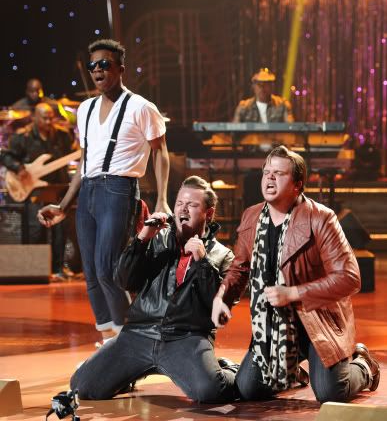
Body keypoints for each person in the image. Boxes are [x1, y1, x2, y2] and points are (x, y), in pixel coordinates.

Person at [211, 145, 380, 403]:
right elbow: (240, 267)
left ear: (297, 185)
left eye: (279, 173)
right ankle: (291, 374)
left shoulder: (320, 218)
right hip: (274, 326)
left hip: (317, 322)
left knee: (331, 393)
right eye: (266, 172)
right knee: (248, 389)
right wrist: (222, 297)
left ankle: (364, 366)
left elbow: (350, 277)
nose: (269, 178)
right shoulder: (252, 216)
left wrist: (293, 293)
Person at [37, 39, 170, 344]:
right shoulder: (85, 109)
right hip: (88, 192)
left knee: (108, 267)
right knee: (91, 272)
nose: (97, 70)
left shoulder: (141, 107)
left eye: (104, 64)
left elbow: (160, 150)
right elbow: (86, 163)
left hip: (118, 189)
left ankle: (129, 341)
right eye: (93, 65)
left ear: (120, 69)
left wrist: (162, 198)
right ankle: (109, 337)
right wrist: (63, 205)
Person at [70, 176, 238, 403]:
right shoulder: (157, 239)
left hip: (185, 338)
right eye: (180, 203)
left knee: (211, 391)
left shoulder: (223, 256)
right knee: (82, 386)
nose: (183, 209)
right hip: (139, 334)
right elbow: (124, 281)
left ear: (208, 213)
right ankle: (130, 371)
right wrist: (141, 240)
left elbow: (219, 308)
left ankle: (227, 369)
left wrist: (203, 262)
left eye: (192, 205)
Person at [1, 102, 75, 279]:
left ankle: (58, 269)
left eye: (50, 118)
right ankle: (39, 269)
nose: (48, 121)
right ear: (35, 117)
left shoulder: (62, 135)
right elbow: (6, 156)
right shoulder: (23, 137)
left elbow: (72, 152)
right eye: (44, 118)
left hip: (57, 188)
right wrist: (18, 168)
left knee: (60, 229)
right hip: (34, 192)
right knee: (36, 229)